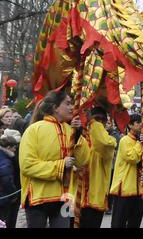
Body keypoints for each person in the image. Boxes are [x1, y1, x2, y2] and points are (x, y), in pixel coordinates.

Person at [19, 90, 90, 228]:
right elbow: (27, 165)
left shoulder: (70, 131)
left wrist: (78, 136)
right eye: (68, 103)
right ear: (54, 107)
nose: (72, 107)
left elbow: (83, 160)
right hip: (38, 198)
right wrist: (60, 166)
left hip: (65, 198)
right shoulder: (33, 130)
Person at [78, 107, 117, 228]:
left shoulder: (110, 141)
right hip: (76, 198)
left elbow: (102, 142)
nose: (98, 123)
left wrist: (93, 122)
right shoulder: (80, 138)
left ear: (105, 122)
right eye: (96, 119)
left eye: (101, 120)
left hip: (94, 199)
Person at [110, 114, 143, 228]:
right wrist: (140, 144)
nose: (141, 125)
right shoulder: (125, 140)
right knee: (119, 222)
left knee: (135, 221)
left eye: (141, 122)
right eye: (138, 123)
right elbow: (132, 158)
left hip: (138, 190)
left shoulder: (140, 141)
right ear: (130, 125)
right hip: (124, 189)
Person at [0, 135, 19, 227]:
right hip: (3, 196)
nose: (15, 150)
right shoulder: (6, 161)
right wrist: (14, 194)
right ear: (8, 147)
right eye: (14, 148)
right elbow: (6, 179)